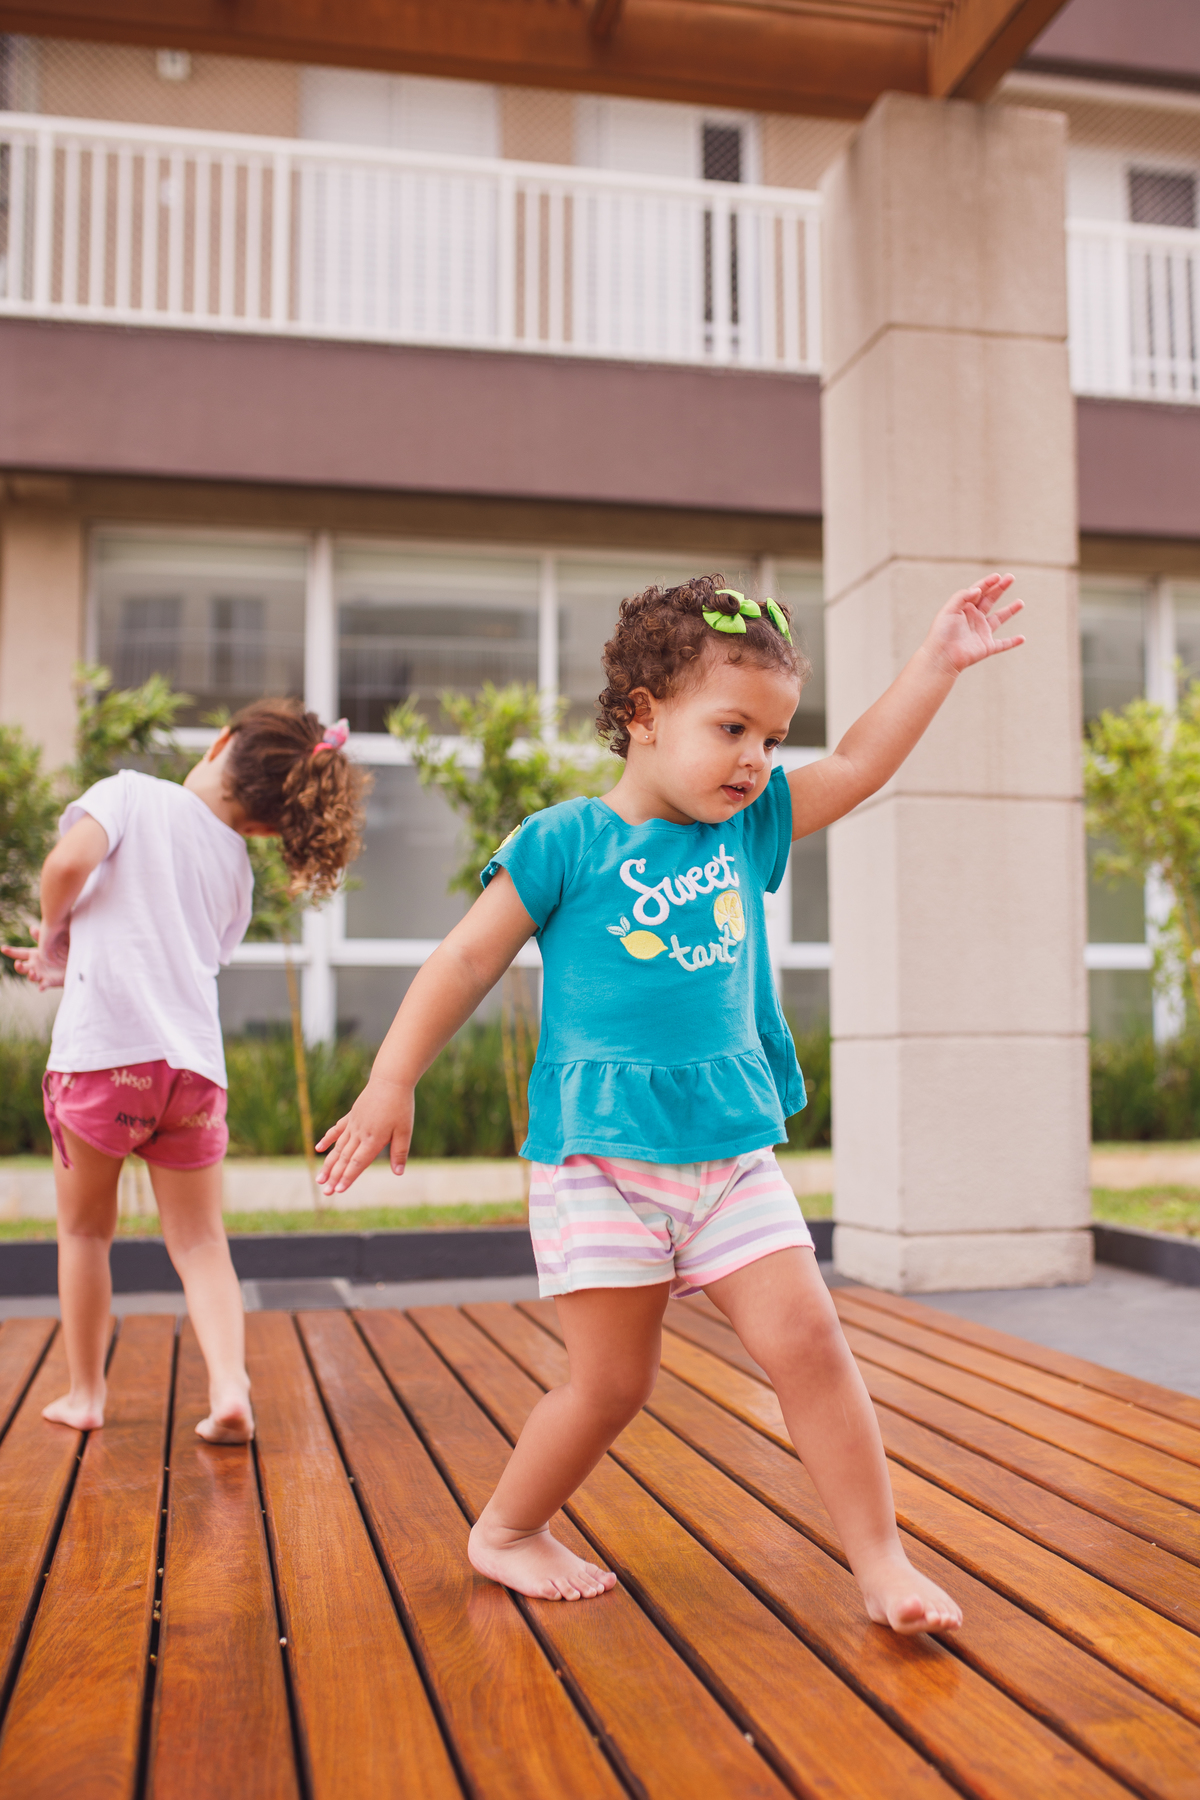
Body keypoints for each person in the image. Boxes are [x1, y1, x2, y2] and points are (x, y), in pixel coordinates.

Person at [316, 572, 1023, 1633]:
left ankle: (881, 1563)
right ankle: (506, 1530)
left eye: (773, 738)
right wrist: (391, 1078)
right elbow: (464, 961)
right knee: (612, 1386)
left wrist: (938, 660)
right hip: (599, 1159)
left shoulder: (750, 828)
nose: (757, 760)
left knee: (813, 1346)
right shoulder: (563, 843)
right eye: (732, 727)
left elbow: (864, 762)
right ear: (643, 715)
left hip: (729, 1153)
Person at [3, 700, 366, 1443]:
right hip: (192, 1074)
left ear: (223, 741)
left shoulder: (130, 792)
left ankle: (85, 1395)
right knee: (202, 1243)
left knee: (84, 1234)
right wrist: (79, 948)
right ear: (269, 824)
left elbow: (68, 864)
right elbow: (176, 949)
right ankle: (230, 1385)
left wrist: (55, 945)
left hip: (104, 1063)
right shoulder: (236, 868)